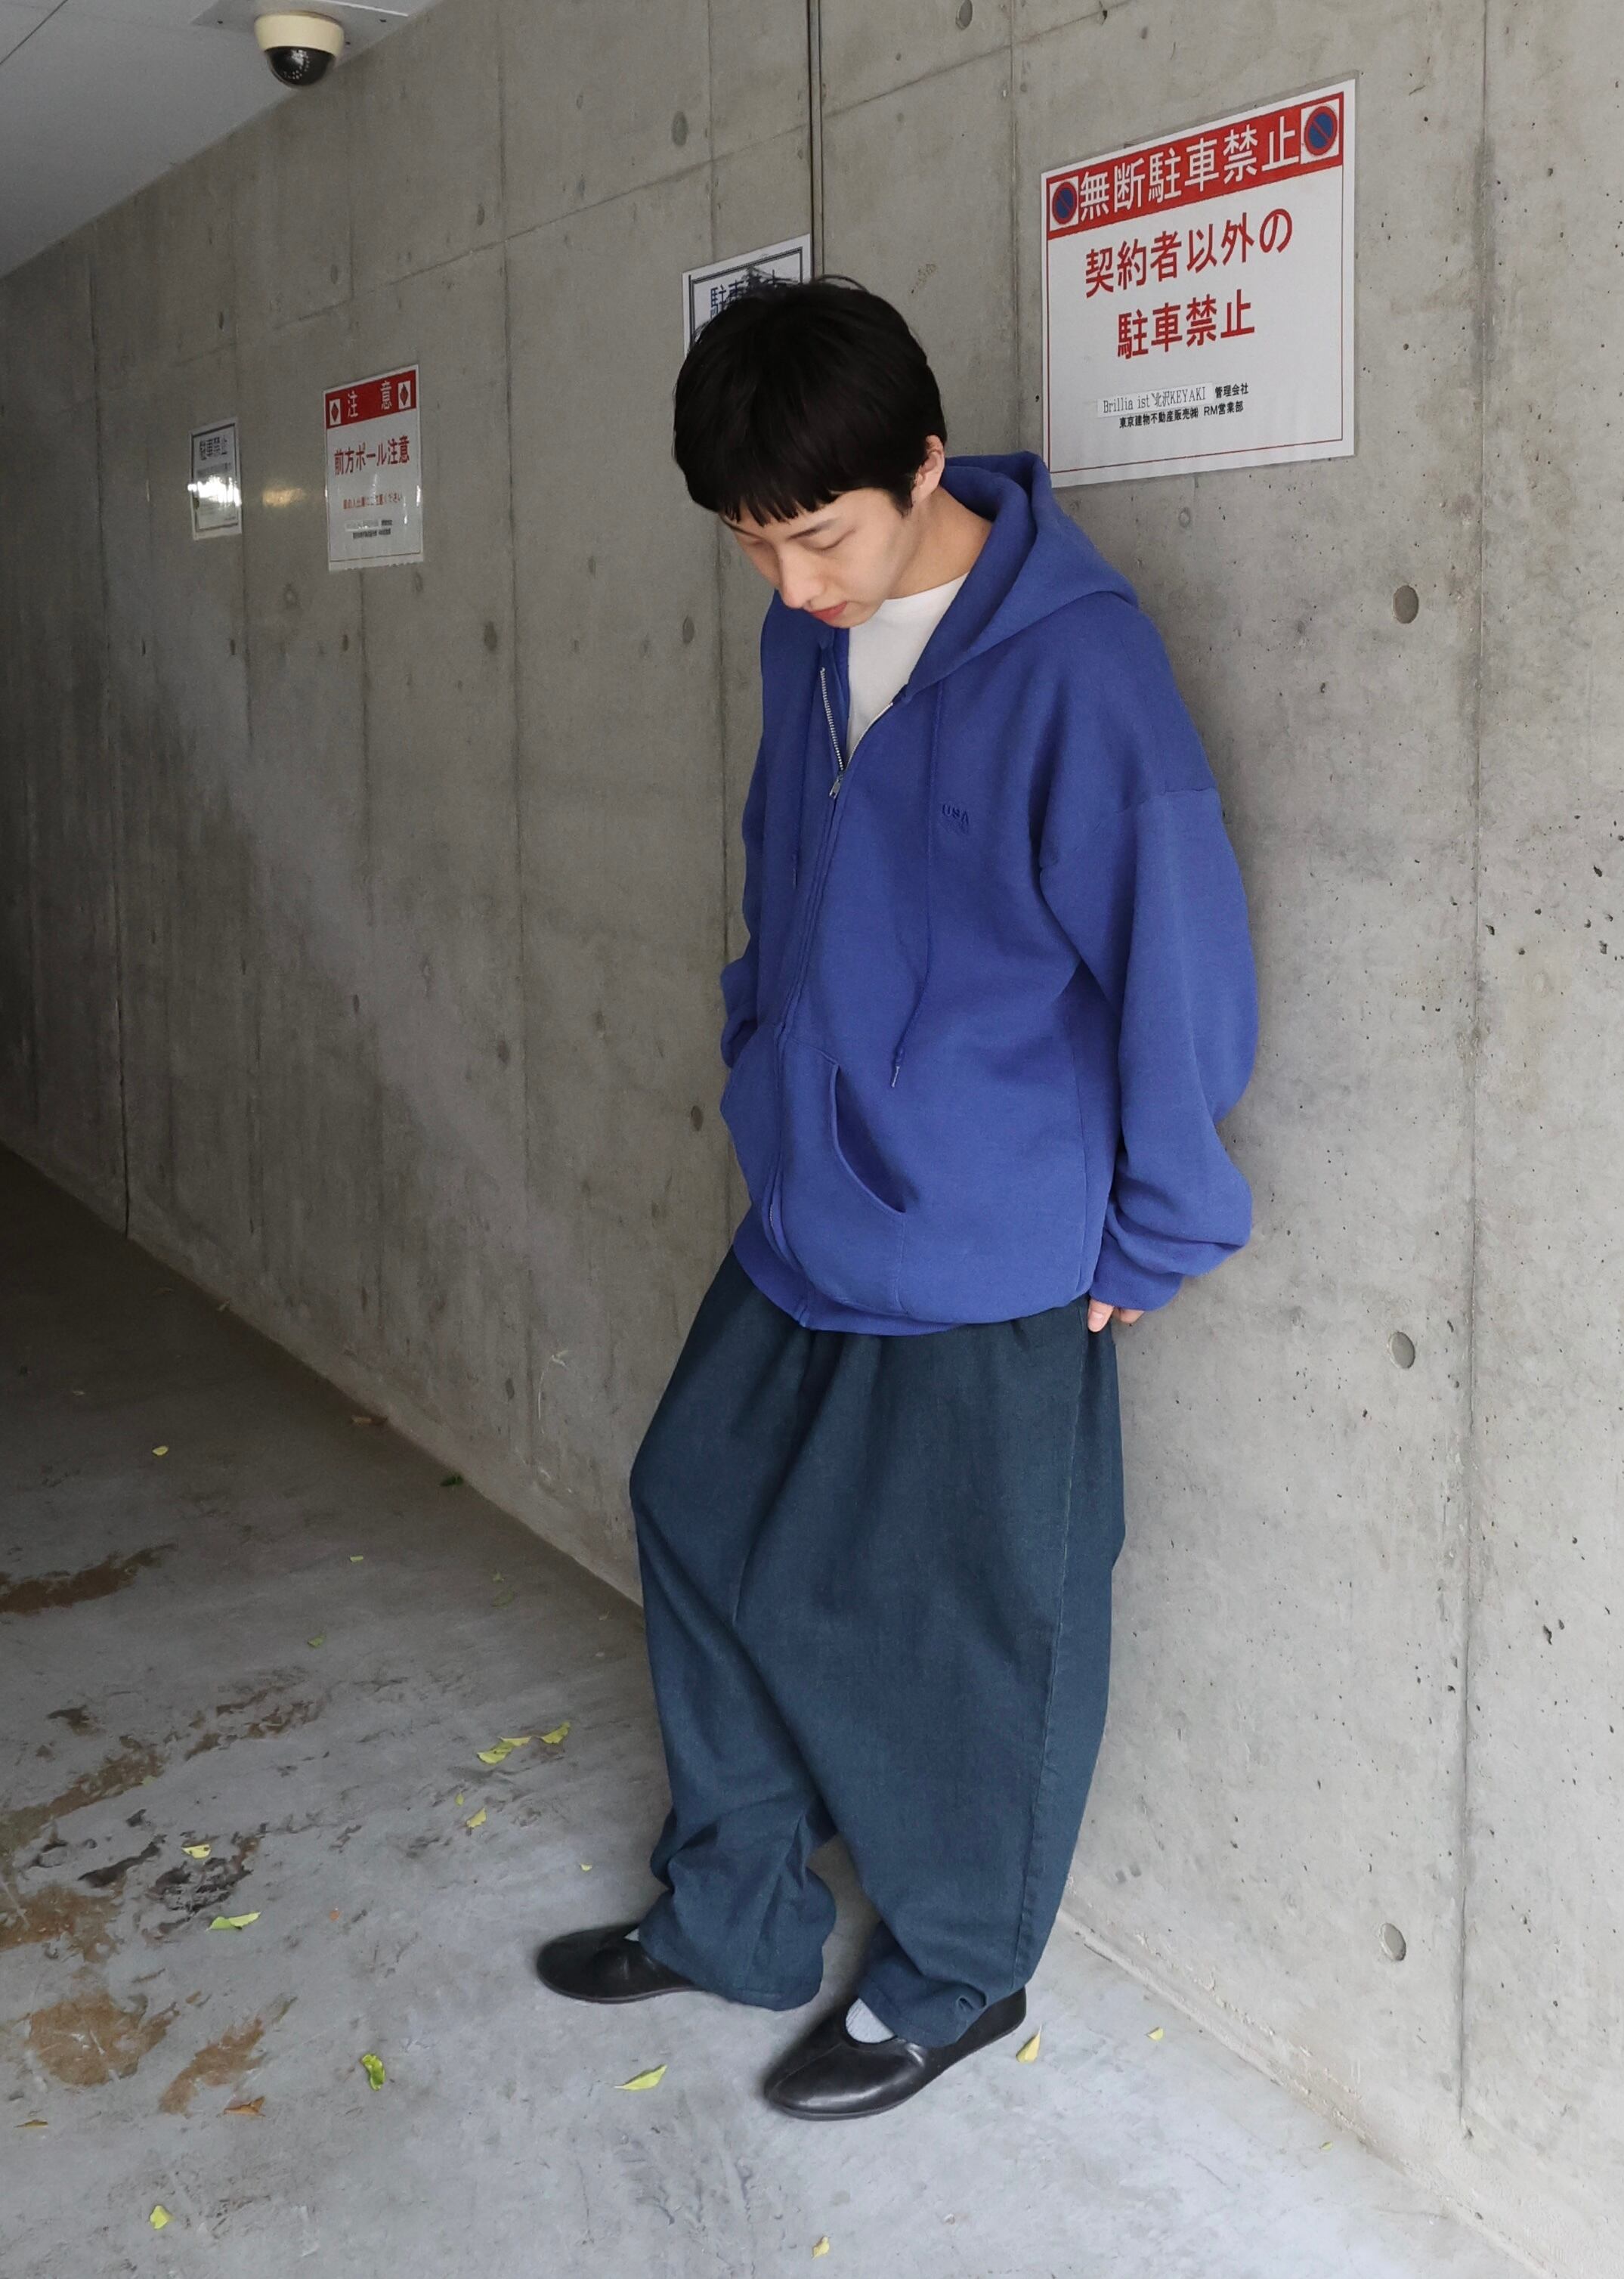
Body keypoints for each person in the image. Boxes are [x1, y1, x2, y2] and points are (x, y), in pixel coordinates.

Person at [536, 277, 1258, 2121]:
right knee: (696, 1504)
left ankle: (956, 1973)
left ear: (925, 465)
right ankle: (737, 1914)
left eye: (822, 537)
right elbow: (786, 868)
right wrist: (759, 1045)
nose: (793, 583)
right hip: (809, 1202)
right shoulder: (807, 641)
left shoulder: (1077, 665)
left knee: (965, 1627)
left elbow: (1180, 955)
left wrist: (1160, 1224)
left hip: (989, 1238)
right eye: (752, 545)